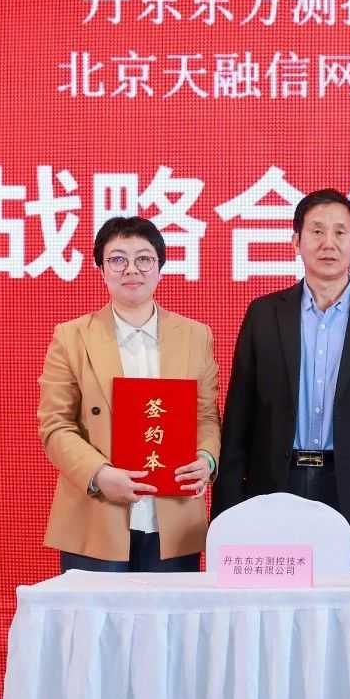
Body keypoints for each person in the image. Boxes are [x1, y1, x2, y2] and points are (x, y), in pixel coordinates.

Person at [212, 189, 350, 573]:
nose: (328, 243)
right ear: (296, 241)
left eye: (340, 232)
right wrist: (227, 509)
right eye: (317, 231)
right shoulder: (264, 314)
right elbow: (239, 417)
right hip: (275, 485)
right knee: (273, 606)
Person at [38, 216, 221, 572]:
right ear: (101, 270)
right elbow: (55, 425)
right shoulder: (72, 337)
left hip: (173, 515)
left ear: (160, 268)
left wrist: (206, 459)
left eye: (144, 259)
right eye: (118, 259)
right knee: (96, 611)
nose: (131, 269)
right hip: (96, 513)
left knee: (168, 611)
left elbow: (206, 416)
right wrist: (99, 474)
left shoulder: (195, 336)